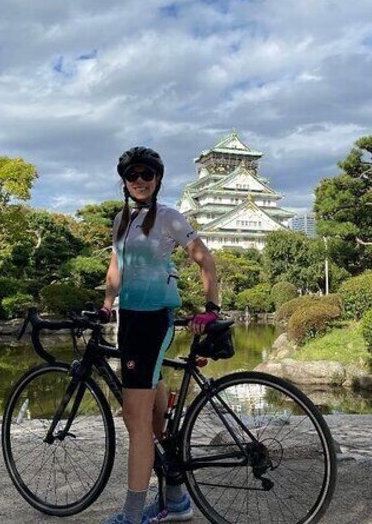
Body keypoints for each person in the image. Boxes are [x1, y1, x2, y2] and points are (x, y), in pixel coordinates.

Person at [99, 146, 220, 524]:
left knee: (133, 416)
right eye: (132, 175)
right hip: (129, 320)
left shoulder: (168, 217)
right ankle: (176, 499)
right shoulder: (120, 219)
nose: (139, 181)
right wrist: (105, 304)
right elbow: (116, 265)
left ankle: (133, 515)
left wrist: (211, 307)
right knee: (150, 416)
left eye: (146, 175)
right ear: (124, 181)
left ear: (157, 180)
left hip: (154, 321)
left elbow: (205, 259)